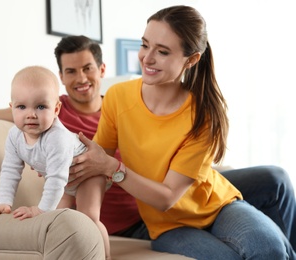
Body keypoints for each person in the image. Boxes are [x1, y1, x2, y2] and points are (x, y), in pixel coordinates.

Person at [0, 34, 296, 254]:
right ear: (61, 81)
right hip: (140, 218)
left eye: (88, 68)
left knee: (275, 179)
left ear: (102, 70)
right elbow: (10, 114)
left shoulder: (123, 104)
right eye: (71, 71)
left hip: (173, 188)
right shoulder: (53, 121)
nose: (81, 78)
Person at [66, 6, 295, 259]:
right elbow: (94, 168)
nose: (147, 58)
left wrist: (112, 167)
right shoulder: (118, 97)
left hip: (217, 207)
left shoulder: (204, 113)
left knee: (270, 248)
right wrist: (91, 223)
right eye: (145, 45)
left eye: (162, 52)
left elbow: (167, 196)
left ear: (191, 59)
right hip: (168, 226)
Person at [0, 65, 111, 260]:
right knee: (59, 219)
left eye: (41, 107)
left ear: (56, 109)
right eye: (22, 107)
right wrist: (4, 203)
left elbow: (56, 177)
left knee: (88, 218)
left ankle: (105, 256)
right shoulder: (14, 136)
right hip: (65, 181)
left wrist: (40, 210)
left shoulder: (57, 138)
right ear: (11, 108)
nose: (31, 114)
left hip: (89, 176)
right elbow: (10, 170)